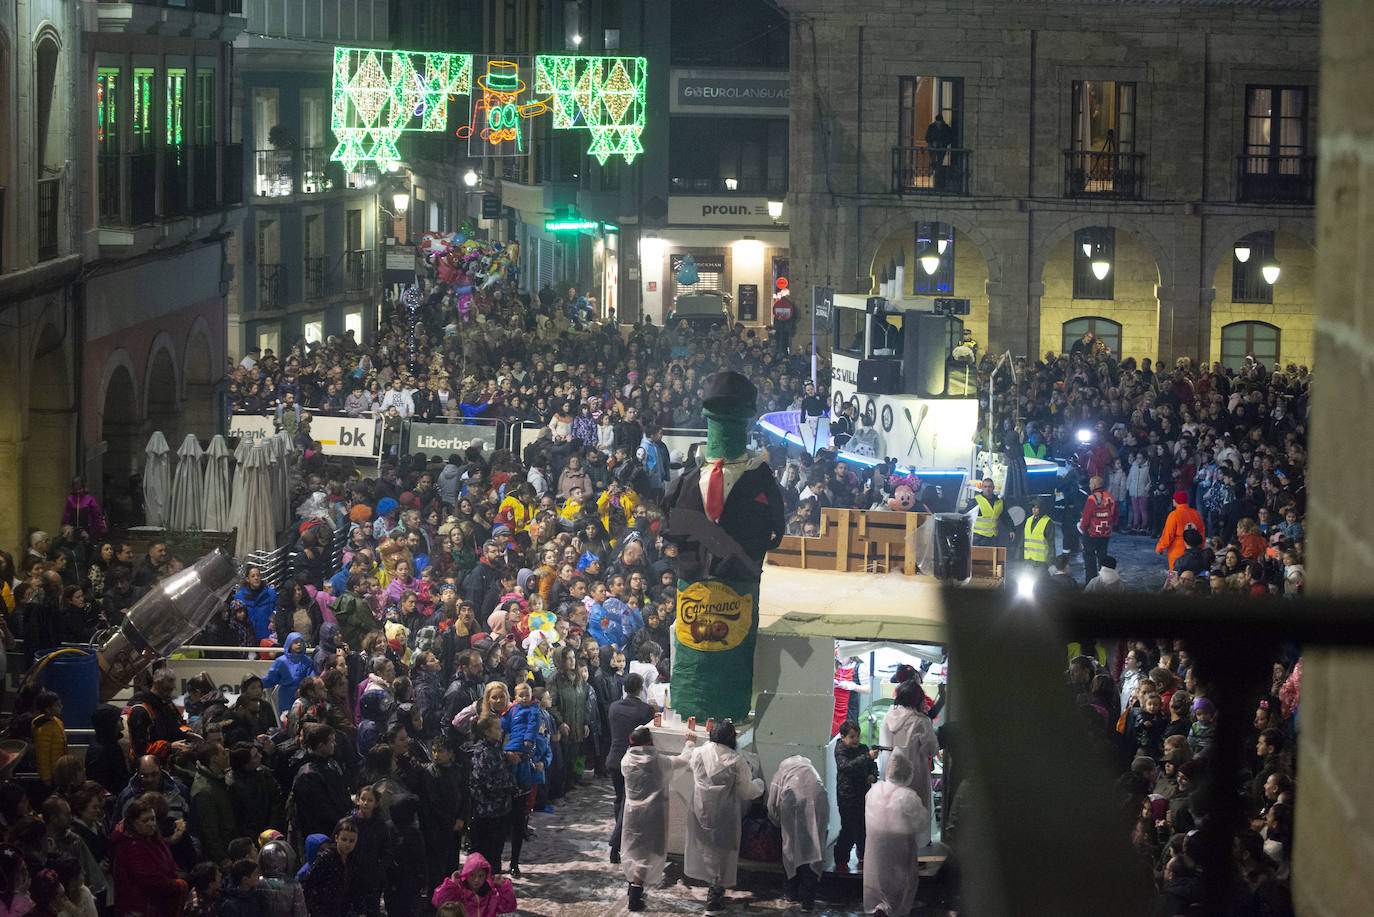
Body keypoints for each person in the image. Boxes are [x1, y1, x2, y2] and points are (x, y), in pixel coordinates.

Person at [680, 721, 765, 915]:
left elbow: (687, 761)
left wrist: (690, 743)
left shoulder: (700, 753)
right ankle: (715, 895)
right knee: (722, 851)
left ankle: (711, 889)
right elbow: (746, 791)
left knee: (705, 847)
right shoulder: (736, 760)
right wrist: (759, 785)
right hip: (724, 813)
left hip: (700, 809)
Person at [619, 725, 693, 912]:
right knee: (645, 855)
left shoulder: (626, 761)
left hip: (632, 815)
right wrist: (690, 743)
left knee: (632, 850)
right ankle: (635, 895)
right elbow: (683, 760)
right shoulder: (659, 761)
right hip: (653, 814)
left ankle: (632, 887)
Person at [863, 752, 930, 917]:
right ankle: (895, 908)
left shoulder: (874, 790)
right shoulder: (907, 796)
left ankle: (879, 906)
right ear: (907, 773)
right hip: (900, 843)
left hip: (876, 842)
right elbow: (921, 822)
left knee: (879, 875)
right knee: (900, 878)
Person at [766, 756, 828, 913]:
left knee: (791, 849)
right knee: (813, 850)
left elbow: (772, 804)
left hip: (791, 804)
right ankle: (808, 899)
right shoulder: (811, 771)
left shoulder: (782, 771)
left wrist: (775, 823)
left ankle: (791, 893)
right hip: (818, 802)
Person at [607, 672, 656, 865]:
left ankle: (618, 841)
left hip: (614, 759)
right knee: (627, 804)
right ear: (641, 688)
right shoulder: (645, 711)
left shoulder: (613, 707)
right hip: (634, 762)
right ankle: (616, 844)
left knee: (620, 800)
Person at [112, 796, 188, 917]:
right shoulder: (130, 847)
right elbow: (150, 879)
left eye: (153, 819)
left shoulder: (154, 838)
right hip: (140, 909)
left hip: (157, 905)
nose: (151, 824)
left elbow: (169, 862)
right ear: (133, 822)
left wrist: (177, 874)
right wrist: (179, 884)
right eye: (145, 821)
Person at [879, 679, 939, 815]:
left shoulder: (888, 717)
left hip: (890, 779)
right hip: (914, 780)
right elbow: (932, 749)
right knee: (914, 824)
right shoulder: (921, 721)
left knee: (893, 820)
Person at [833, 719, 879, 872]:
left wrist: (873, 775)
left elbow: (873, 767)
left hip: (863, 795)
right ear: (843, 736)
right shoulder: (840, 750)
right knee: (848, 829)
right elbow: (845, 767)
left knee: (863, 828)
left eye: (857, 736)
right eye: (852, 737)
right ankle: (841, 860)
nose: (856, 740)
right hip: (847, 796)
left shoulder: (863, 748)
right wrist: (867, 757)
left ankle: (863, 855)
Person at [430, 853, 516, 917]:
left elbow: (508, 907)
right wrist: (451, 885)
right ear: (466, 875)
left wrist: (503, 886)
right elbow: (438, 902)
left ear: (486, 876)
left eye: (481, 876)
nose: (476, 880)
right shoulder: (459, 892)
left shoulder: (491, 894)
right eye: (472, 875)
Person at [262, 632, 313, 721]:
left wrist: (304, 689)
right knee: (286, 721)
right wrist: (258, 683)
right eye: (295, 642)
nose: (299, 644)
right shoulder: (281, 661)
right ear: (289, 643)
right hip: (286, 696)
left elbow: (311, 679)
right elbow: (271, 679)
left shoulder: (307, 661)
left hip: (303, 696)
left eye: (301, 642)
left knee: (303, 721)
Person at [1078, 474, 1119, 584]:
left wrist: (1082, 529)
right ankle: (1104, 581)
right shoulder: (1110, 497)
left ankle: (1091, 583)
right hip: (1105, 532)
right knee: (1103, 556)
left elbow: (1086, 517)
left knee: (1089, 558)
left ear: (1095, 485)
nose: (1090, 486)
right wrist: (1110, 525)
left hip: (1091, 533)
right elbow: (1116, 514)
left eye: (1091, 483)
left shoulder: (1092, 499)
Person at [1157, 491, 1206, 571]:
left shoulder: (1174, 515)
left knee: (1175, 578)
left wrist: (1160, 548)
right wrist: (1200, 547)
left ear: (1176, 501)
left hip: (1176, 553)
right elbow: (1202, 533)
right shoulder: (1195, 513)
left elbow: (1168, 535)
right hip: (1194, 552)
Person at [1019, 497, 1055, 572]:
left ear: (1041, 508)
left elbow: (1051, 543)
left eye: (1037, 507)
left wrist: (1050, 561)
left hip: (1041, 562)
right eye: (1033, 507)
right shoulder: (1028, 520)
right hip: (1028, 560)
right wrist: (1019, 554)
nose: (1034, 509)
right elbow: (1023, 539)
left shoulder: (1048, 522)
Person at [966, 477, 1005, 546]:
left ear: (993, 488)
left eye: (989, 487)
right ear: (982, 488)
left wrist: (1011, 529)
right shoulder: (975, 501)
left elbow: (1005, 517)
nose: (987, 489)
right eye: (985, 487)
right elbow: (965, 518)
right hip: (978, 537)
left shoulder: (999, 502)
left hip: (993, 537)